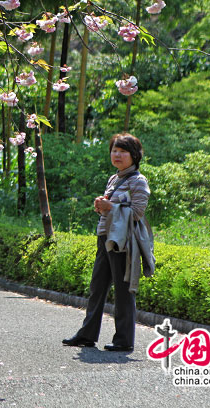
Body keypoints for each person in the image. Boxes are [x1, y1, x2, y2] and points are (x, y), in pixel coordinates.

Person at [63, 132, 152, 352]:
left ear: (134, 155)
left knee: (123, 290)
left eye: (123, 151)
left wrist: (110, 207)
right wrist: (100, 205)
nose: (117, 155)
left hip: (123, 242)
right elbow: (110, 210)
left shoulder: (138, 181)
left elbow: (138, 212)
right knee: (97, 287)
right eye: (114, 150)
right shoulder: (114, 178)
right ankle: (87, 334)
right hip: (105, 237)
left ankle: (124, 339)